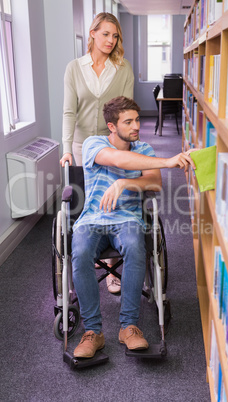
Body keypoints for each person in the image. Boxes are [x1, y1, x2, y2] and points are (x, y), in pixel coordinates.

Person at [71, 96, 196, 358]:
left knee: (134, 247)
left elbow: (155, 184)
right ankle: (93, 332)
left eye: (137, 119)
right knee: (80, 253)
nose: (136, 126)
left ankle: (129, 326)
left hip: (127, 218)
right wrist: (168, 161)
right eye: (128, 121)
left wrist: (125, 184)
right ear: (112, 126)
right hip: (93, 219)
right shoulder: (94, 143)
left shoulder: (145, 149)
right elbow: (118, 160)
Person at [60, 12, 134, 293]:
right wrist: (67, 148)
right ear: (92, 33)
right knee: (87, 201)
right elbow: (69, 111)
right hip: (81, 143)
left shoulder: (123, 67)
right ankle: (89, 255)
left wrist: (126, 146)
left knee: (112, 200)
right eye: (105, 34)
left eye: (115, 36)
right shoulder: (74, 68)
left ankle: (113, 271)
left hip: (111, 145)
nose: (110, 40)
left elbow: (127, 110)